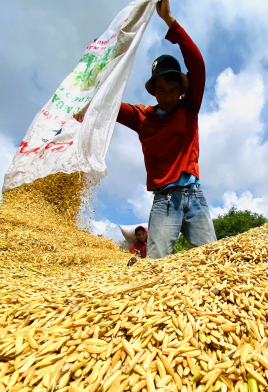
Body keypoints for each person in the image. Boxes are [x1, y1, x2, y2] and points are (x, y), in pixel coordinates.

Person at [74, 0, 216, 258]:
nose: (169, 96)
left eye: (174, 91)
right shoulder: (142, 117)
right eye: (162, 90)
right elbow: (110, 104)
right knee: (155, 265)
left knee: (212, 260)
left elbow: (197, 65)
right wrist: (88, 105)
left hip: (194, 196)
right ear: (154, 90)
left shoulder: (189, 108)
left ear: (181, 90)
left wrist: (170, 22)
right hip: (164, 201)